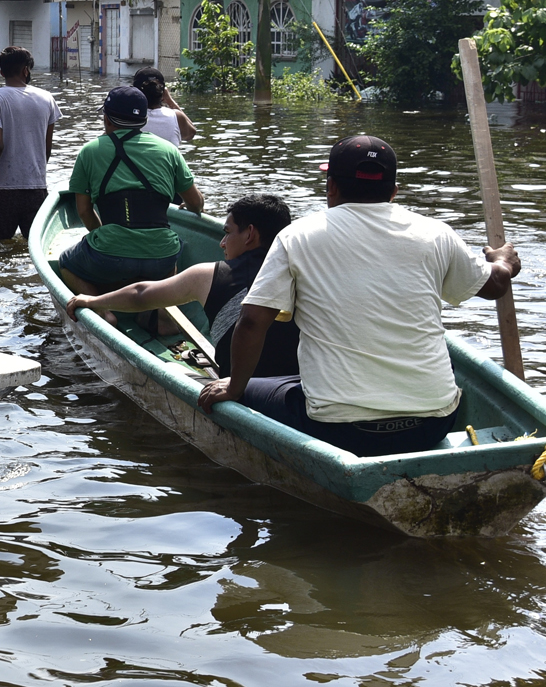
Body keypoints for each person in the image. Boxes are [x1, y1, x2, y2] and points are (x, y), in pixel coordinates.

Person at [198, 136, 521, 457]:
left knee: (240, 387)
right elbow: (494, 285)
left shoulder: (297, 236)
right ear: (393, 192)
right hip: (433, 422)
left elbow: (253, 322)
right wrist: (503, 260)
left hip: (341, 429)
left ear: (331, 187)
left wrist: (234, 387)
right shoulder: (435, 232)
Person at [66, 194, 302, 378]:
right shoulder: (304, 273)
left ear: (250, 234)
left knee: (174, 370)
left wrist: (91, 300)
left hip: (240, 389)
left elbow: (141, 294)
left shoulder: (210, 275)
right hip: (295, 386)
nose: (221, 243)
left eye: (227, 233)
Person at [60, 85, 205, 296]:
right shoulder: (169, 150)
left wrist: (105, 238)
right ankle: (163, 316)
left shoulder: (89, 151)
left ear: (107, 119)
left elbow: (83, 211)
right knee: (171, 247)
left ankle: (100, 310)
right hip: (162, 257)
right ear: (144, 121)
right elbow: (196, 203)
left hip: (109, 256)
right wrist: (190, 205)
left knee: (65, 263)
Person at [0, 46, 60, 240]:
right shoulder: (47, 99)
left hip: (3, 192)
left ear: (2, 72)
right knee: (35, 247)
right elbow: (47, 148)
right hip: (36, 187)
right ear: (26, 70)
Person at [134, 66, 196, 146]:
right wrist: (171, 102)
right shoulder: (176, 116)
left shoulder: (126, 117)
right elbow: (191, 134)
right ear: (163, 92)